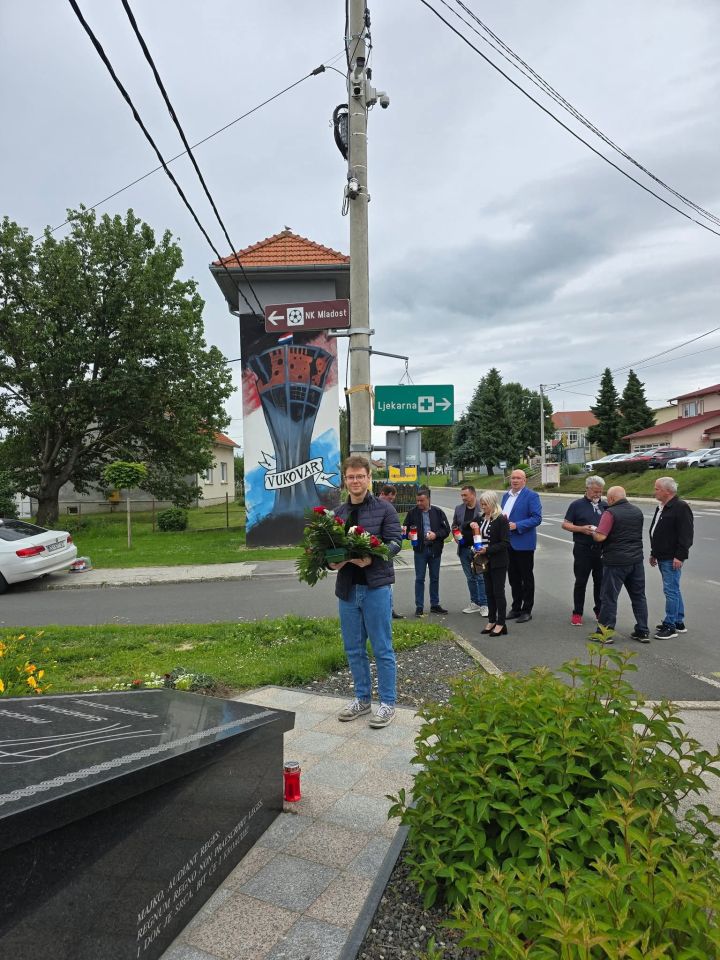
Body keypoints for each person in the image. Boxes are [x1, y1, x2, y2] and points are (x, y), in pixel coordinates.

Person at [329, 456, 403, 728]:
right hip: (348, 590)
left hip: (376, 588)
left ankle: (387, 703)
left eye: (360, 476)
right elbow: (330, 550)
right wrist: (331, 562)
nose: (356, 481)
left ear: (369, 478)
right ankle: (362, 699)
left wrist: (373, 558)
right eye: (351, 477)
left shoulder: (385, 509)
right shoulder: (338, 514)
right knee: (353, 648)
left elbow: (395, 543)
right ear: (345, 480)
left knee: (382, 647)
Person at [593, 485, 650, 643]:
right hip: (636, 560)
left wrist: (593, 532)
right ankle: (642, 631)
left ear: (611, 498)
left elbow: (600, 537)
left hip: (615, 561)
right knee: (638, 596)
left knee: (609, 597)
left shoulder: (610, 513)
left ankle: (605, 633)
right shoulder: (637, 511)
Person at [649, 476, 694, 640]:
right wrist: (654, 552)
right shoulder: (662, 506)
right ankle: (678, 621)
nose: (654, 491)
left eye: (657, 489)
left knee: (670, 591)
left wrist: (680, 556)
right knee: (673, 588)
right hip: (662, 555)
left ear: (667, 491)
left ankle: (670, 626)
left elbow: (686, 535)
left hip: (671, 557)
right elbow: (658, 531)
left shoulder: (680, 507)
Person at [561, 475, 607, 626]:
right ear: (587, 489)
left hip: (601, 550)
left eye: (600, 491)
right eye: (595, 491)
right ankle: (577, 612)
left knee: (600, 582)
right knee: (581, 581)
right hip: (582, 549)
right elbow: (565, 524)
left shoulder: (605, 506)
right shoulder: (577, 505)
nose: (597, 494)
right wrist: (581, 529)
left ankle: (599, 610)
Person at [500, 470, 542, 623]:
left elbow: (536, 518)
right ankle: (516, 607)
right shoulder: (506, 496)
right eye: (513, 478)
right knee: (513, 578)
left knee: (526, 578)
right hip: (507, 543)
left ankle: (527, 610)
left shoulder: (531, 496)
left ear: (524, 480)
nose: (515, 480)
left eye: (518, 478)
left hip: (523, 543)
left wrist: (517, 525)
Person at [403, 486, 451, 617]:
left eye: (421, 501)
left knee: (435, 578)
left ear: (428, 499)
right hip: (420, 550)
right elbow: (405, 529)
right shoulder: (412, 513)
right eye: (417, 501)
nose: (419, 503)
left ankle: (435, 604)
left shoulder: (438, 512)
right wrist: (408, 535)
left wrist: (436, 535)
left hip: (435, 550)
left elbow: (446, 530)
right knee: (420, 579)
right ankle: (419, 606)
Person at [472, 490, 510, 637]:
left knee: (498, 592)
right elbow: (473, 532)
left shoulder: (501, 519)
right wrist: (471, 527)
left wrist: (487, 549)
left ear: (493, 504)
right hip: (484, 561)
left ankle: (501, 623)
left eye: (485, 504)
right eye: (481, 504)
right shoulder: (481, 518)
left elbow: (505, 543)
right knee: (489, 591)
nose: (482, 507)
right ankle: (492, 620)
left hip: (498, 561)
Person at [451, 484, 489, 616]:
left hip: (478, 549)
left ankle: (484, 604)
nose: (463, 498)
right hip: (464, 548)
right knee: (470, 578)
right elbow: (454, 525)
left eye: (465, 495)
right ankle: (475, 603)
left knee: (480, 577)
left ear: (473, 495)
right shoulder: (459, 508)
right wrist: (455, 534)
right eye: (461, 495)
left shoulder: (482, 507)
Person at [378, 483, 404, 620]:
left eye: (393, 499)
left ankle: (390, 608)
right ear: (383, 494)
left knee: (389, 584)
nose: (391, 501)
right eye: (390, 498)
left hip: (386, 551)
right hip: (378, 551)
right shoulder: (375, 508)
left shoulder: (388, 509)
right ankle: (387, 610)